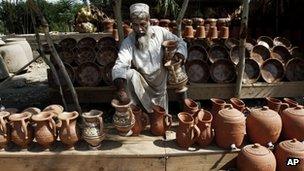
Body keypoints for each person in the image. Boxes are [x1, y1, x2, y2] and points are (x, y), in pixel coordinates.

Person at [112, 3, 187, 114]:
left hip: (160, 87)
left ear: (149, 21)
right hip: (142, 86)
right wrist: (121, 90)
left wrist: (178, 55)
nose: (139, 29)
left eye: (142, 24)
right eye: (135, 25)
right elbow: (121, 63)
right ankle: (135, 113)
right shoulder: (128, 41)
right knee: (129, 74)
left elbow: (181, 42)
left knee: (159, 121)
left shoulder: (160, 32)